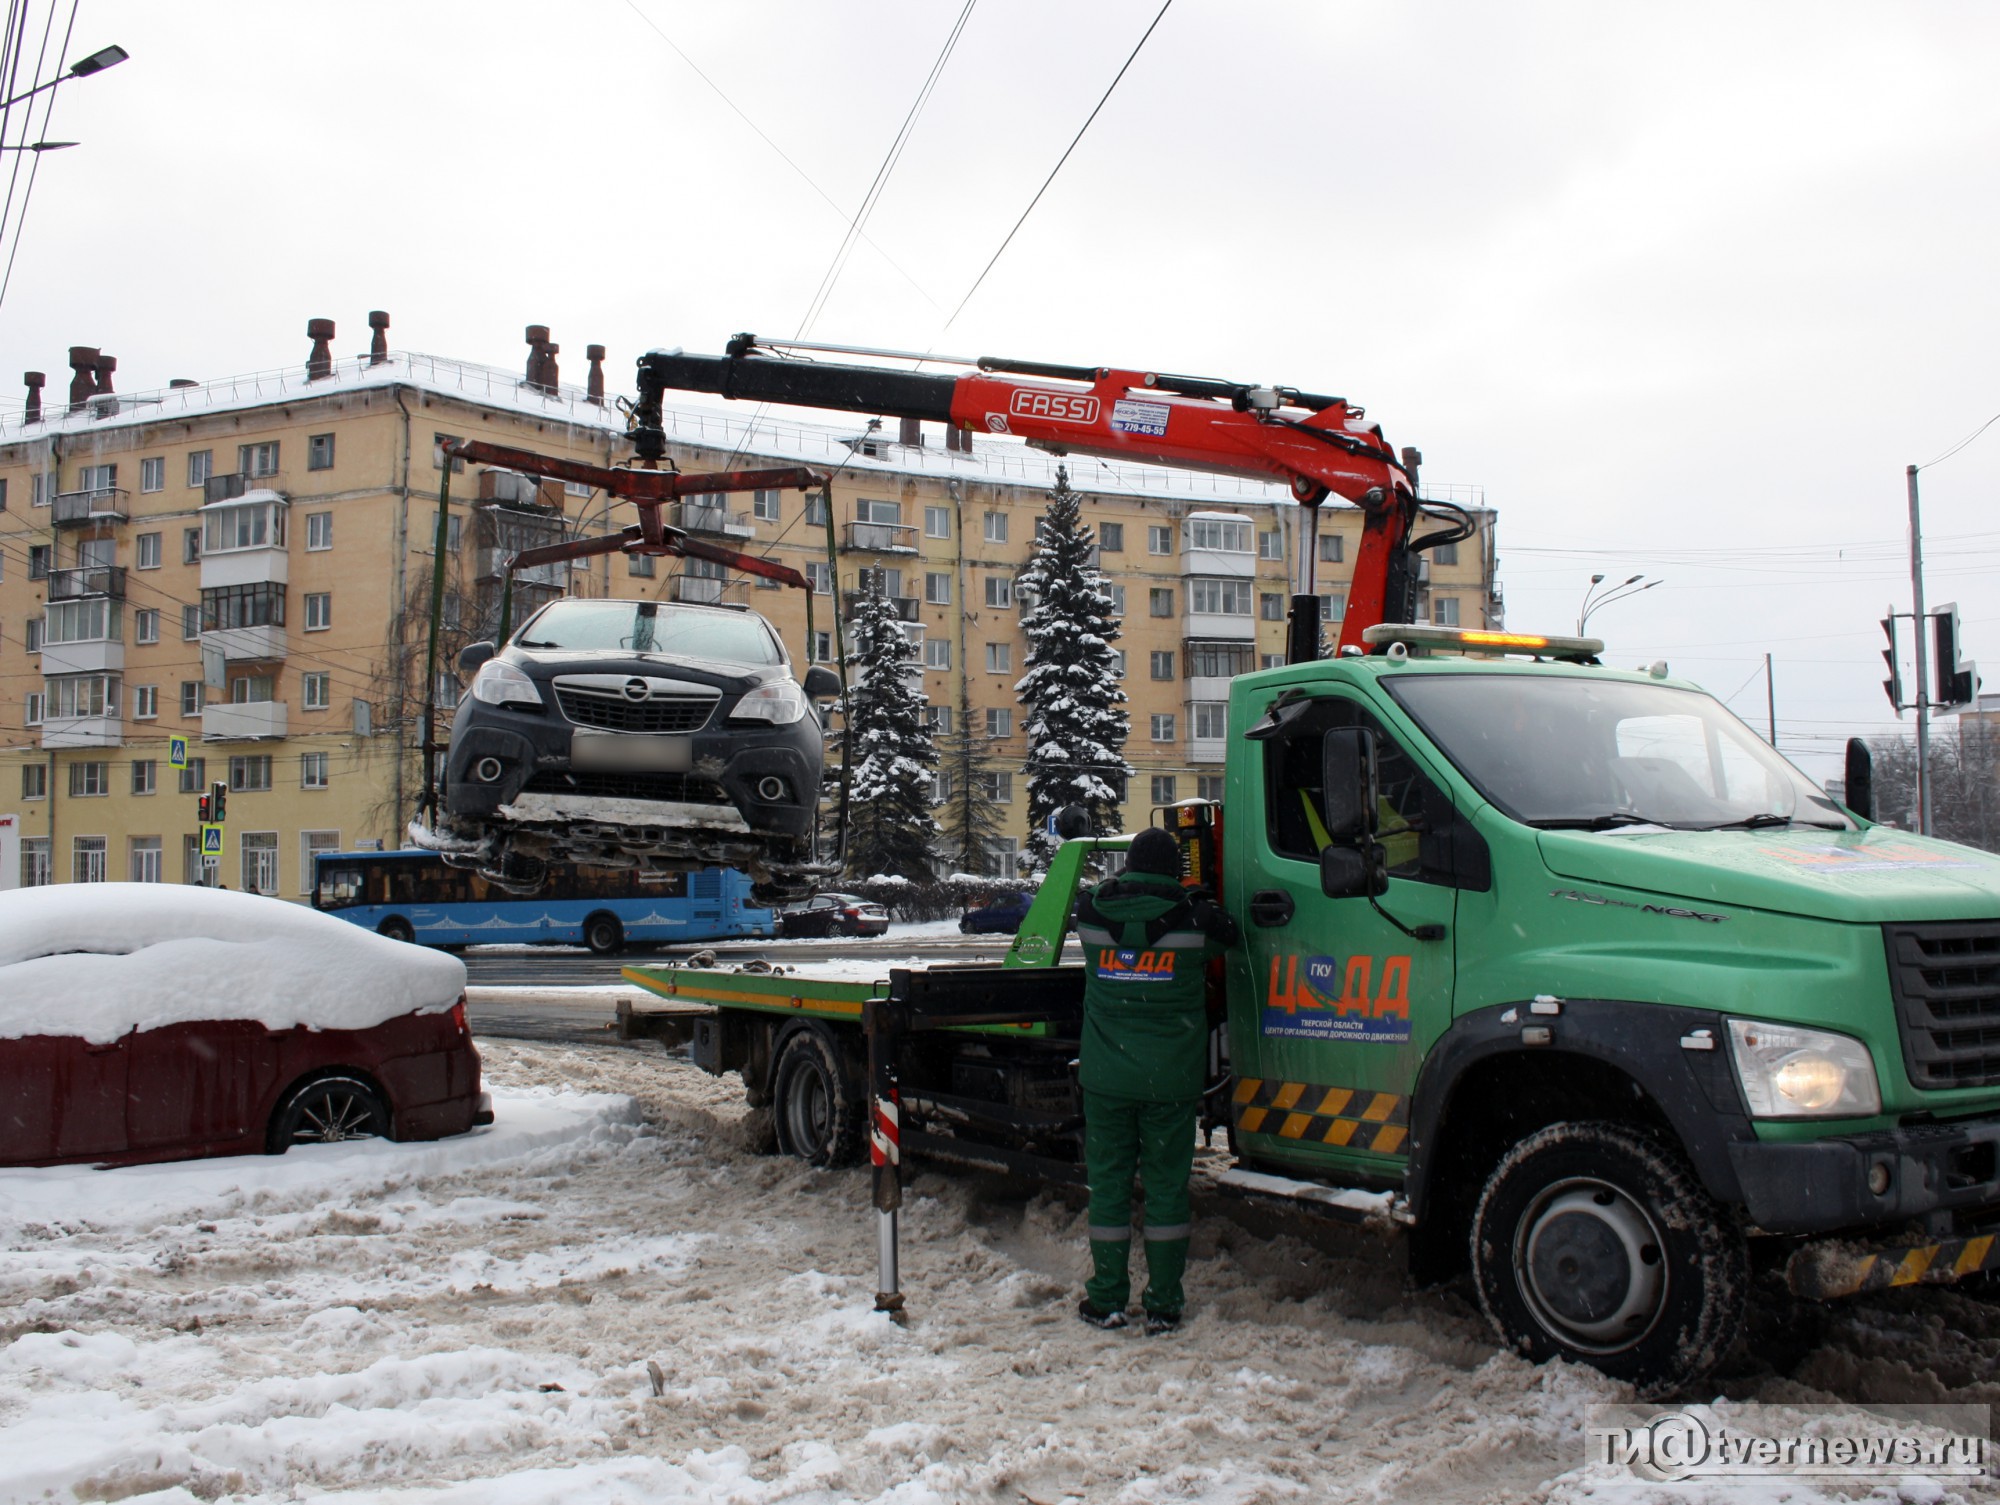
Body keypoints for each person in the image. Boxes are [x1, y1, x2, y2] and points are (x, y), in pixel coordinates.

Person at [1073, 825, 1240, 1333]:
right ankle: (1164, 1304)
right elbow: (1231, 935)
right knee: (1167, 1190)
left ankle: (1106, 1299)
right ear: (1174, 868)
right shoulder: (1197, 920)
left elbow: (1097, 908)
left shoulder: (1092, 914)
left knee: (1109, 1189)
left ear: (1129, 866)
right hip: (1168, 1082)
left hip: (1106, 1079)